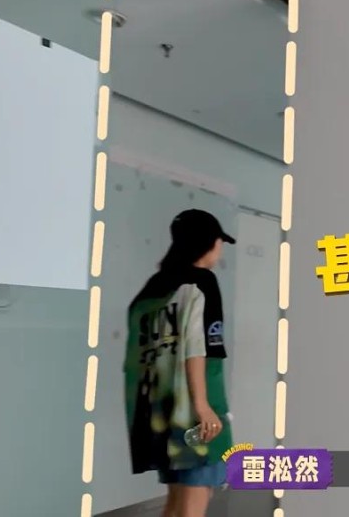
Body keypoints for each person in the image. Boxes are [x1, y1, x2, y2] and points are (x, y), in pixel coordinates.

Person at [124, 209, 236, 517]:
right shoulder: (202, 283)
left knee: (176, 502)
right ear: (208, 243)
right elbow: (198, 348)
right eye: (219, 242)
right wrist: (202, 406)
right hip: (194, 408)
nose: (220, 249)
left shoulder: (153, 289)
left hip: (158, 412)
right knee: (194, 500)